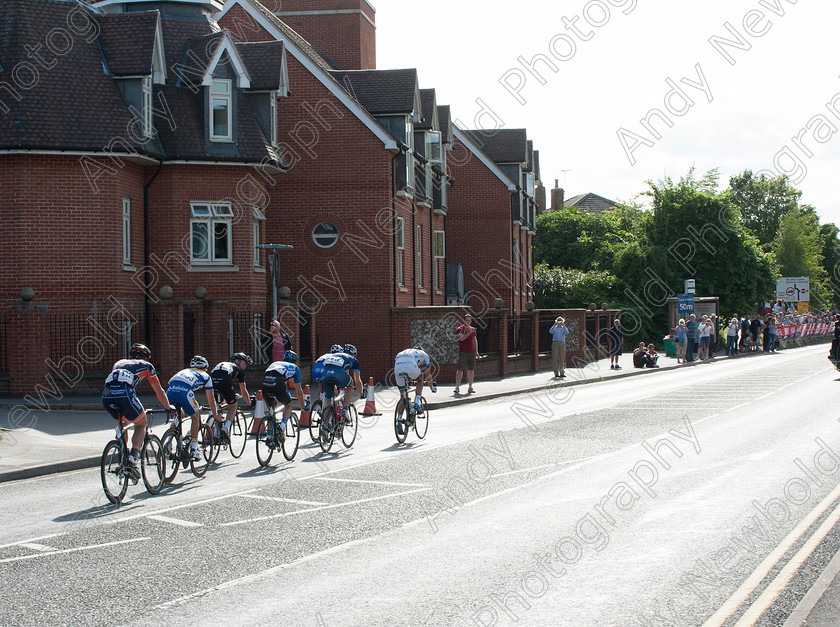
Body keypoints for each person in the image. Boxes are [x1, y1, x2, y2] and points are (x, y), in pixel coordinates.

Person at [102, 343, 174, 477]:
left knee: (123, 421)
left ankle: (122, 453)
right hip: (125, 393)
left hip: (107, 394)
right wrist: (168, 407)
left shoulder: (119, 363)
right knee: (141, 423)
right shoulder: (147, 366)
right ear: (146, 357)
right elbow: (159, 391)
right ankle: (133, 458)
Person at [166, 355, 222, 460]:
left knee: (179, 415)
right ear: (204, 368)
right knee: (195, 417)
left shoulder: (184, 371)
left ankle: (168, 443)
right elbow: (211, 399)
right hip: (185, 391)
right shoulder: (206, 376)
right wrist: (215, 415)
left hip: (170, 390)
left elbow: (171, 383)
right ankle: (194, 450)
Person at [394, 346, 437, 434]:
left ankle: (399, 421)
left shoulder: (408, 351)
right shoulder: (425, 355)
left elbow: (405, 369)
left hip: (398, 362)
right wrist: (432, 387)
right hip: (409, 362)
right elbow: (428, 375)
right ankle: (417, 403)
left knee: (402, 396)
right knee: (420, 379)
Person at [210, 352, 252, 440]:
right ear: (237, 361)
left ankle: (216, 433)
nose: (244, 367)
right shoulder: (239, 370)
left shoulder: (224, 364)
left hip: (212, 379)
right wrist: (250, 403)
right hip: (224, 381)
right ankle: (226, 428)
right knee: (233, 406)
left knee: (220, 404)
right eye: (243, 364)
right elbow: (243, 391)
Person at [261, 350, 307, 431]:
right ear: (295, 362)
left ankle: (269, 436)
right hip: (278, 382)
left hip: (265, 383)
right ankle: (282, 427)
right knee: (288, 405)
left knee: (271, 411)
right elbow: (298, 391)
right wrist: (303, 406)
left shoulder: (276, 363)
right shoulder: (295, 368)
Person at [319, 343, 364, 424]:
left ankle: (325, 428)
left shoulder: (336, 355)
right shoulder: (353, 360)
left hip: (326, 373)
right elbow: (357, 380)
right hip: (338, 373)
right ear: (353, 354)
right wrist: (361, 394)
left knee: (328, 402)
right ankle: (345, 410)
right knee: (351, 384)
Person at [454, 314, 477, 394]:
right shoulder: (459, 329)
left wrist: (477, 351)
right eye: (466, 320)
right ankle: (457, 387)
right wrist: (469, 332)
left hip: (472, 351)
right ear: (463, 321)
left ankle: (470, 387)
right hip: (463, 351)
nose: (468, 322)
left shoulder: (473, 330)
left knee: (471, 370)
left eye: (469, 320)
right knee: (460, 369)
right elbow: (462, 339)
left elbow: (475, 340)